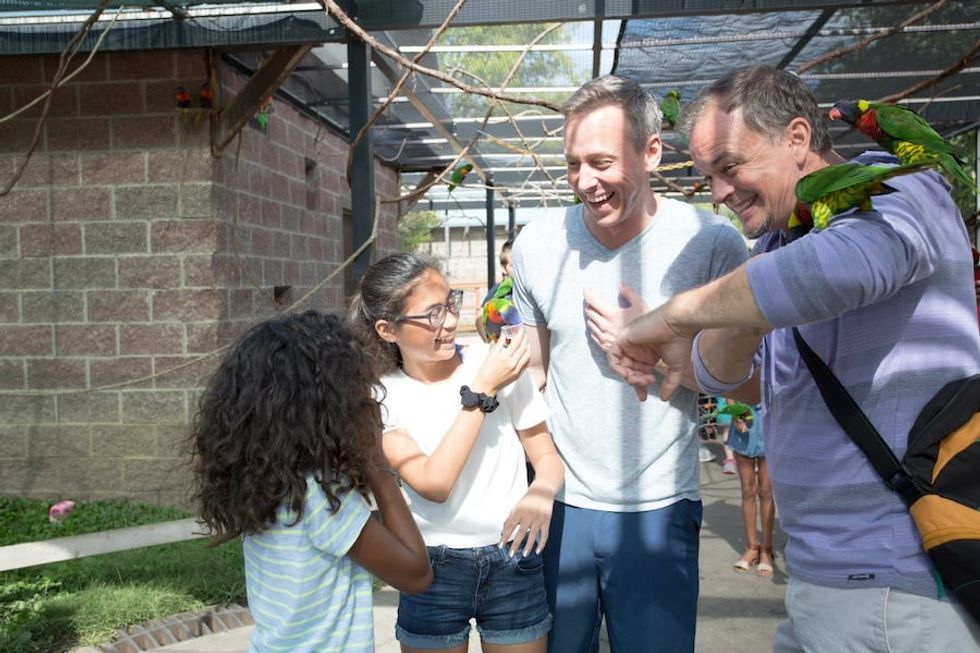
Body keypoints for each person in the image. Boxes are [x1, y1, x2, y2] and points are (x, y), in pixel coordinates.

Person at [607, 65, 980, 651]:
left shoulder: (896, 190)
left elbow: (837, 269)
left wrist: (676, 313)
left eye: (729, 168)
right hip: (820, 577)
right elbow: (742, 378)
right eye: (708, 177)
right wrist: (696, 340)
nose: (719, 194)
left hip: (898, 584)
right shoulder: (783, 244)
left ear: (798, 139)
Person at [509, 75, 750, 652]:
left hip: (659, 508)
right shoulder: (537, 244)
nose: (584, 182)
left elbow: (760, 382)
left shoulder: (712, 243)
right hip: (560, 506)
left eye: (600, 162)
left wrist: (668, 351)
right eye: (573, 164)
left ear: (651, 151)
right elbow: (531, 373)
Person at [351, 252, 564, 653]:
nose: (449, 321)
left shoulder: (496, 362)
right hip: (430, 568)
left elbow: (547, 459)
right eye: (432, 313)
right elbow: (434, 483)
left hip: (513, 557)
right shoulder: (380, 395)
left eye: (450, 302)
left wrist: (541, 492)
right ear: (387, 329)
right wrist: (481, 390)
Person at [186, 311, 432, 653]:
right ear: (328, 403)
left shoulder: (269, 479)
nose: (368, 399)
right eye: (357, 389)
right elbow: (416, 574)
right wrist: (378, 466)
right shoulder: (319, 495)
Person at [721, 401, 774, 577]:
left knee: (766, 491)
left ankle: (766, 549)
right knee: (747, 490)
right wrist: (737, 416)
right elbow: (729, 385)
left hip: (770, 422)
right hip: (743, 419)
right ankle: (752, 547)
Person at [476, 238, 516, 342]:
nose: (518, 268)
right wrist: (489, 342)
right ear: (504, 268)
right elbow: (480, 317)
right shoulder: (499, 291)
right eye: (512, 265)